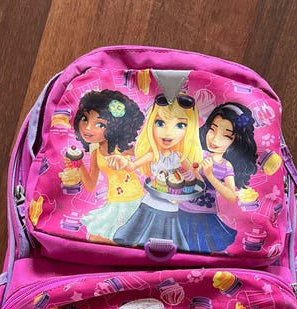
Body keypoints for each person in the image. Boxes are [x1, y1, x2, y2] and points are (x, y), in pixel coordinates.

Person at [113, 93, 202, 251]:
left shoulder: (179, 156)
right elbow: (132, 166)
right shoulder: (154, 155)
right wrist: (124, 162)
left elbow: (197, 178)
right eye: (160, 123)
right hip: (150, 204)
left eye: (180, 125)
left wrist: (192, 175)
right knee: (136, 241)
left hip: (171, 207)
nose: (168, 133)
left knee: (170, 243)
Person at [178, 102, 258, 253]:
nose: (215, 139)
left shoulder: (226, 166)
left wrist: (210, 175)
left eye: (226, 136)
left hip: (205, 216)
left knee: (201, 248)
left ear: (236, 141)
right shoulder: (200, 153)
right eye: (212, 129)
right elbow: (186, 164)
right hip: (181, 210)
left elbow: (231, 196)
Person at [73, 89, 145, 243]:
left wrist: (132, 163)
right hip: (113, 201)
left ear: (115, 127)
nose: (88, 128)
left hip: (132, 199)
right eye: (85, 118)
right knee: (96, 238)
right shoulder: (96, 153)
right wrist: (78, 164)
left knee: (121, 240)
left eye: (100, 124)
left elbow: (147, 155)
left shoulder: (122, 148)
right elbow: (91, 185)